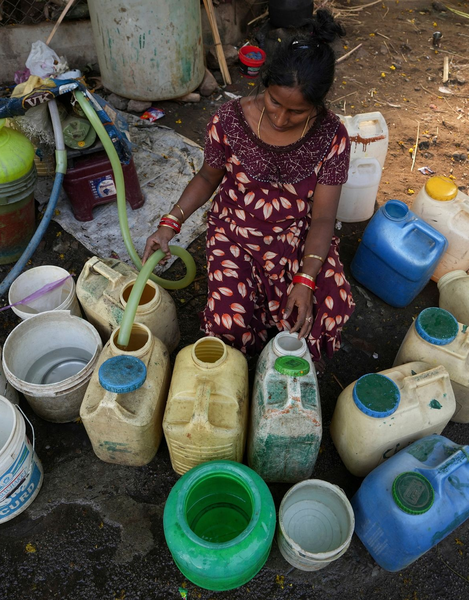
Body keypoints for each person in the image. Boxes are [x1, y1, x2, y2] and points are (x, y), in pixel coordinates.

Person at [143, 10, 355, 363]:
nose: (281, 118)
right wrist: (169, 224)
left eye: (297, 112)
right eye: (275, 102)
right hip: (234, 234)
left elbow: (322, 219)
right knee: (232, 327)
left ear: (318, 104)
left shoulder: (333, 137)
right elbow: (207, 177)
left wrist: (305, 278)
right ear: (265, 83)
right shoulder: (228, 120)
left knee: (322, 312)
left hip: (296, 237)